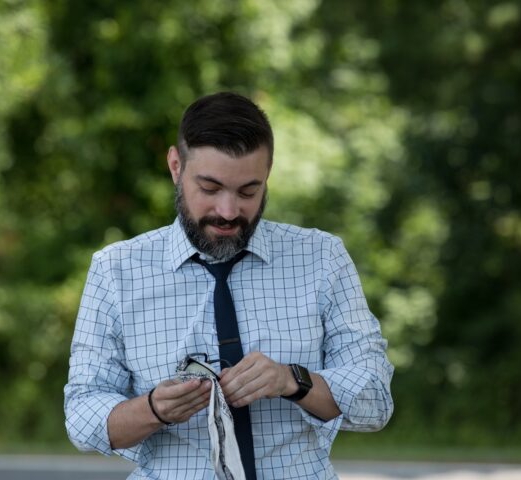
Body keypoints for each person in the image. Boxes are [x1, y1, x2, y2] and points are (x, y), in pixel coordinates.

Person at [64, 92, 394, 479]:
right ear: (175, 166)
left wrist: (293, 380)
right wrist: (153, 409)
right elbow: (82, 416)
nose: (228, 211)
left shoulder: (322, 257)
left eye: (248, 192)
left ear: (268, 175)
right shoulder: (116, 270)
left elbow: (375, 399)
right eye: (209, 188)